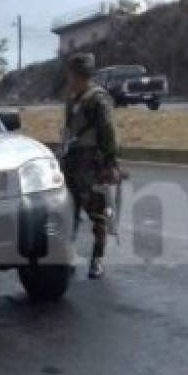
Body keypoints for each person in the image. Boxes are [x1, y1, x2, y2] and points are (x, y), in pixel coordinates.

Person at [61, 52, 120, 279]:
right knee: (69, 211)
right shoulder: (73, 98)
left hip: (91, 165)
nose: (70, 79)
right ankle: (68, 255)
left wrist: (110, 162)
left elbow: (108, 132)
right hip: (72, 163)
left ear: (80, 75)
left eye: (73, 75)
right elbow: (68, 130)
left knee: (97, 213)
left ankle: (98, 259)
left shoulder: (98, 99)